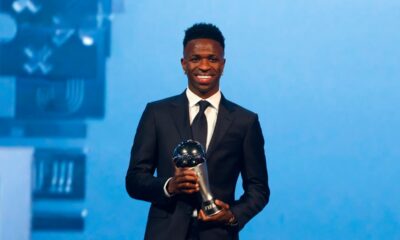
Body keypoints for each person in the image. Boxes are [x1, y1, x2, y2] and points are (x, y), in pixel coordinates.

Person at [125, 23, 270, 240]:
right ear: (183, 64)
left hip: (217, 234)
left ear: (223, 64)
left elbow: (258, 189)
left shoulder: (245, 121)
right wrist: (169, 185)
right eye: (195, 59)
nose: (204, 66)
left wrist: (231, 215)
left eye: (212, 59)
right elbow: (135, 180)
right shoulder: (157, 113)